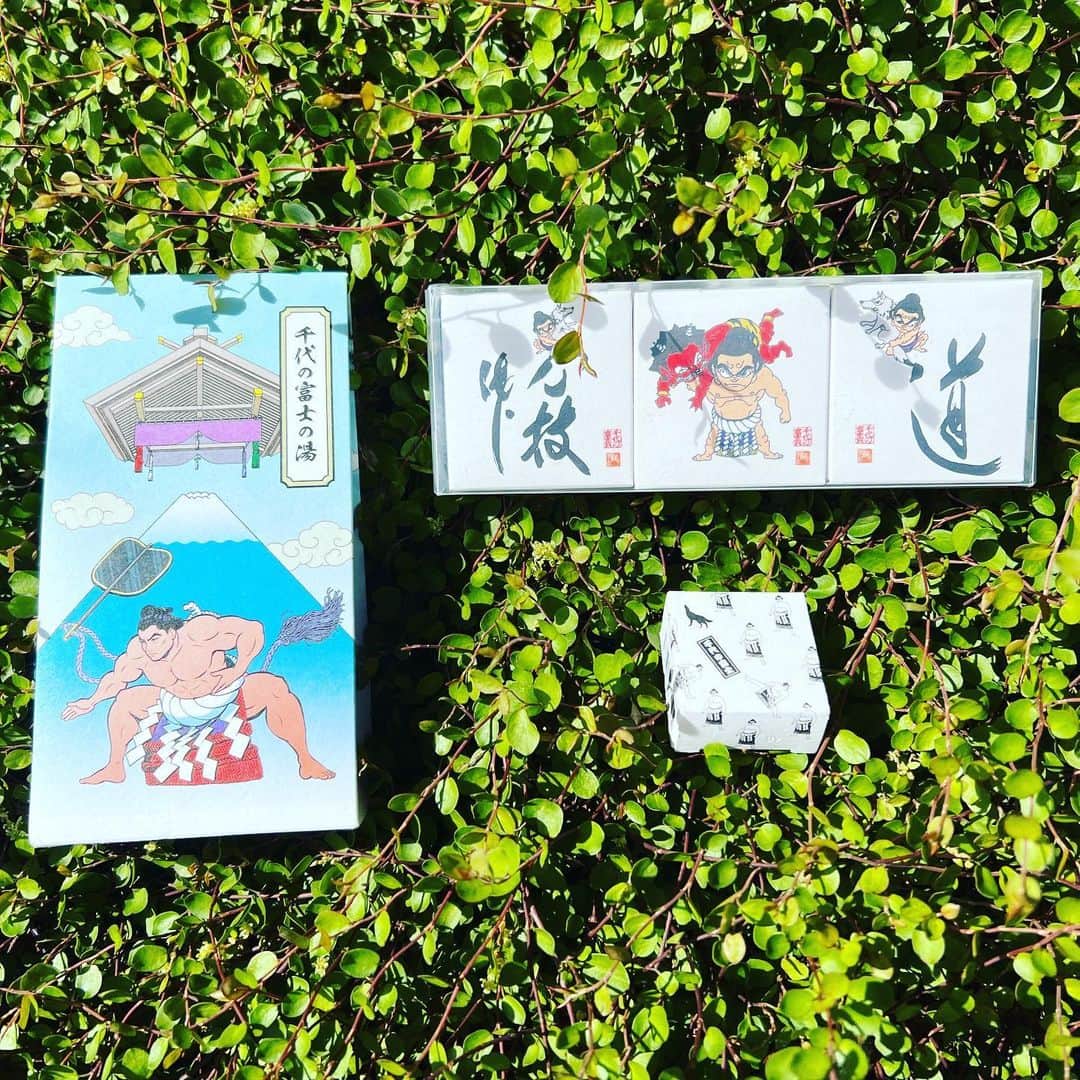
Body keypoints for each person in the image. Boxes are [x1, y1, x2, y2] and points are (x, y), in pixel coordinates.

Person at [62, 605, 334, 785]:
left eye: (155, 638)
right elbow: (117, 679)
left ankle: (306, 760)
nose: (149, 646)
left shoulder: (199, 632)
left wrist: (238, 669)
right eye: (144, 640)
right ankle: (114, 767)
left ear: (172, 632)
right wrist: (91, 701)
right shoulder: (139, 651)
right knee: (124, 701)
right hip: (174, 705)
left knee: (274, 687)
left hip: (224, 696)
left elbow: (251, 630)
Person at [883, 293, 928, 381]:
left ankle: (911, 369)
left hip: (906, 345)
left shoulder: (911, 332)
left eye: (911, 324)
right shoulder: (892, 324)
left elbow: (901, 340)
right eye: (899, 320)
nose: (903, 326)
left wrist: (891, 345)